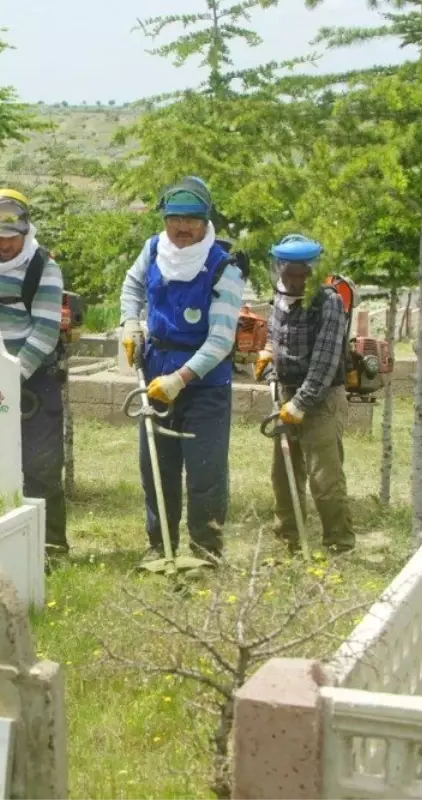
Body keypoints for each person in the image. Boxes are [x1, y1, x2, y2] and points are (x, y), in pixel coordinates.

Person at [118, 177, 245, 563]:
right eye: (176, 218)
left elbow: (221, 340)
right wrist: (130, 323)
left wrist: (181, 379)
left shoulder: (225, 268)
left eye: (192, 219)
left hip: (205, 383)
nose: (183, 228)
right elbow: (132, 285)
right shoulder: (153, 249)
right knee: (157, 466)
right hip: (155, 372)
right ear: (165, 220)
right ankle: (160, 547)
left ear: (206, 221)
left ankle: (206, 551)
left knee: (205, 472)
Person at [0, 189, 68, 562]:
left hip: (33, 378)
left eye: (11, 239)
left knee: (40, 465)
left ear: (25, 233)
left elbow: (45, 331)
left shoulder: (44, 268)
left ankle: (52, 547)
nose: (4, 247)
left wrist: (13, 375)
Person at [255, 234, 355, 554]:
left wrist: (301, 403)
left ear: (314, 271)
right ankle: (290, 543)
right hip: (286, 393)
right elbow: (274, 343)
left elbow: (325, 362)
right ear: (279, 270)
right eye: (291, 273)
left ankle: (338, 544)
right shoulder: (278, 301)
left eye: (303, 274)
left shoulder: (329, 302)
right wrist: (268, 362)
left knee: (324, 478)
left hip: (322, 398)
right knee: (283, 476)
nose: (297, 281)